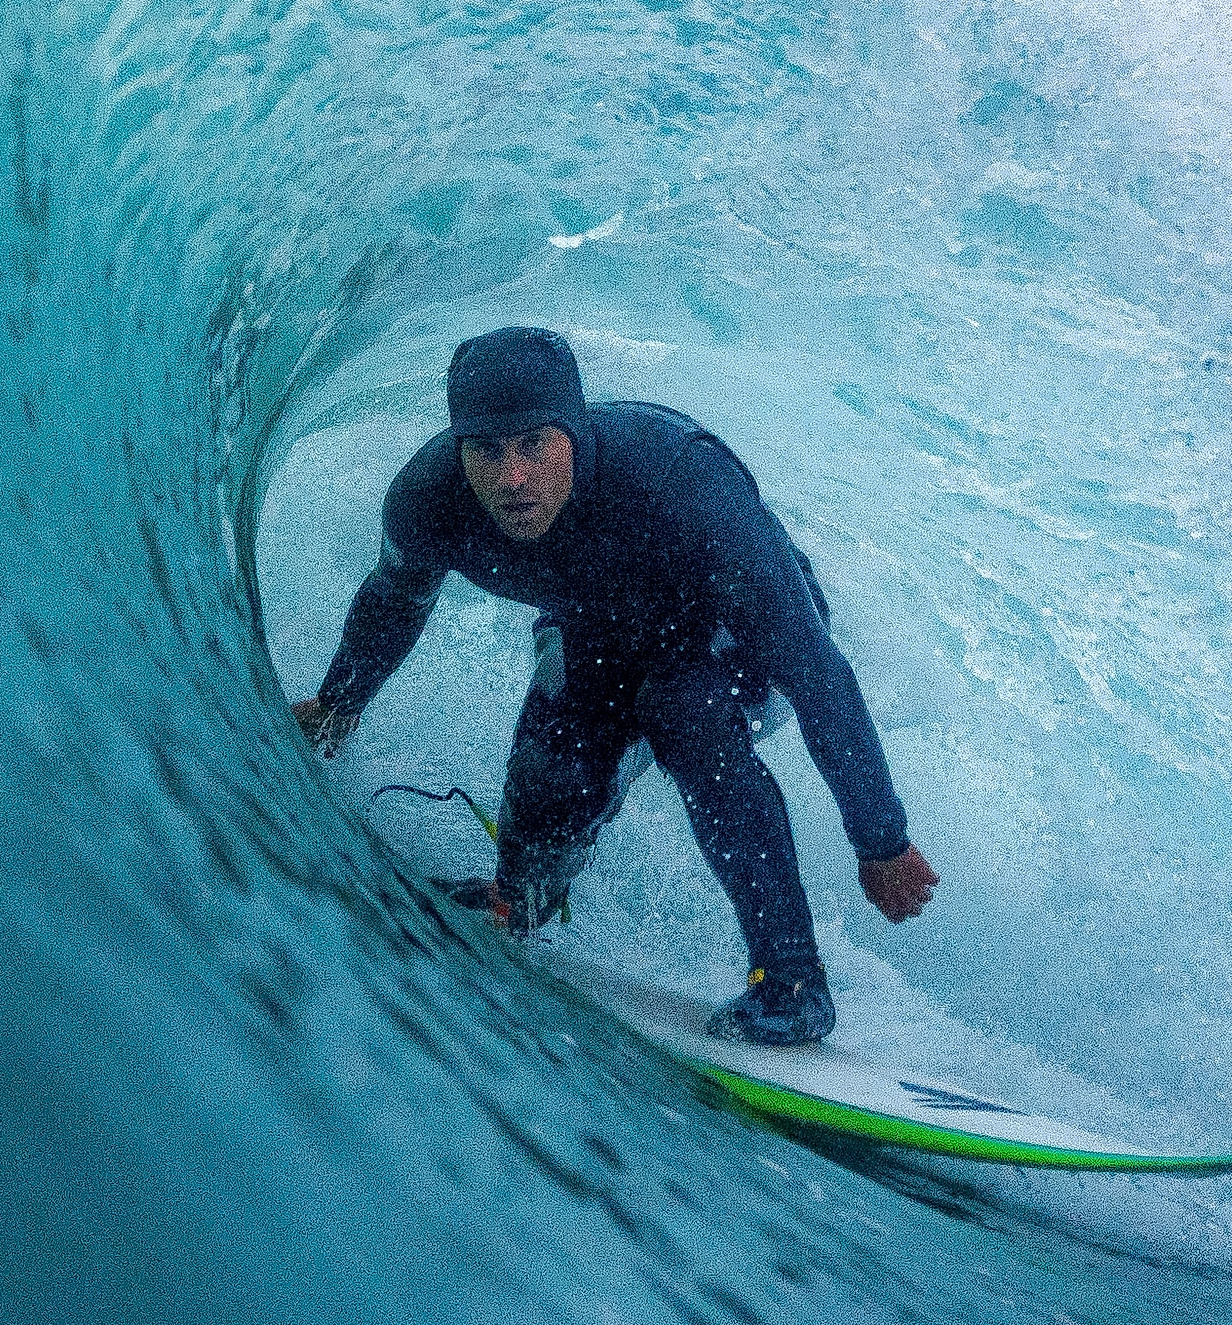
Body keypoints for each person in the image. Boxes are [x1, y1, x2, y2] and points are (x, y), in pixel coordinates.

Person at [294, 326, 938, 1046]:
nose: (511, 478)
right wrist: (338, 705)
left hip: (733, 633)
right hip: (600, 626)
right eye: (488, 449)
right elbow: (395, 598)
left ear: (572, 430)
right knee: (553, 766)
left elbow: (814, 670)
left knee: (684, 711)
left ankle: (790, 984)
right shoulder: (430, 499)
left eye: (534, 444)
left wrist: (880, 838)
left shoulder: (678, 481)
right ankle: (519, 900)